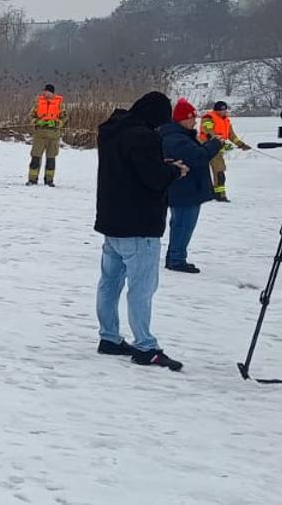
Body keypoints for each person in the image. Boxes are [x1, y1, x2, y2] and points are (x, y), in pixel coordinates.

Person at [93, 91, 187, 370]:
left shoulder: (112, 131)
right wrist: (174, 171)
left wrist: (160, 166)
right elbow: (154, 179)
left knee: (109, 283)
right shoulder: (144, 137)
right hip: (140, 225)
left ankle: (109, 337)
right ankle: (145, 346)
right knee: (141, 288)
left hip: (112, 221)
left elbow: (130, 168)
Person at [161, 99, 221, 273]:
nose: (194, 121)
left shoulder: (180, 136)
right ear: (182, 119)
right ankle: (176, 259)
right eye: (192, 118)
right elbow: (197, 156)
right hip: (185, 191)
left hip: (186, 190)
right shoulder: (175, 139)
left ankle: (175, 257)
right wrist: (214, 144)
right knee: (183, 225)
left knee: (180, 224)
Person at [199, 100, 251, 202]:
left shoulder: (226, 121)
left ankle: (219, 194)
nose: (224, 111)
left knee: (220, 172)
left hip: (217, 149)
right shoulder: (208, 118)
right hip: (206, 148)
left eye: (225, 110)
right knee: (205, 172)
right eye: (222, 110)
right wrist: (222, 143)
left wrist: (241, 144)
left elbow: (232, 135)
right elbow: (209, 132)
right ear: (216, 110)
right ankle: (213, 194)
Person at [27, 83, 63, 186]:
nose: (44, 93)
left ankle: (49, 180)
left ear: (51, 92)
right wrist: (37, 121)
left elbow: (64, 118)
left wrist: (56, 123)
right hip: (39, 134)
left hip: (54, 135)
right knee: (35, 157)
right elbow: (31, 116)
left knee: (51, 159)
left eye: (46, 91)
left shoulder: (59, 104)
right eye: (44, 91)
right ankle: (32, 180)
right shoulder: (38, 103)